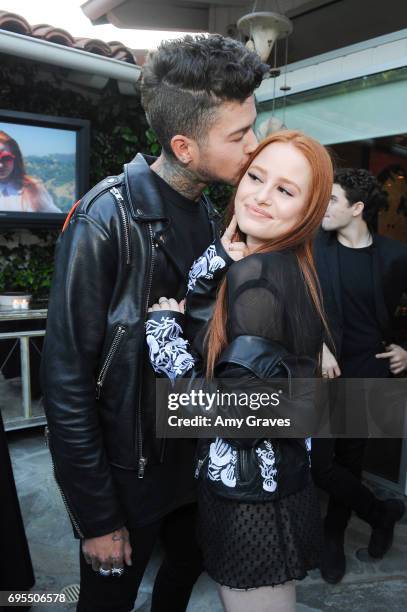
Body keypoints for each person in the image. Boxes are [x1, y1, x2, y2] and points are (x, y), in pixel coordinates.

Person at [41, 34, 267, 612]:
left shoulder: (213, 212)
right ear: (185, 146)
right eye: (240, 135)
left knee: (184, 574)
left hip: (194, 466)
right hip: (130, 478)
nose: (255, 146)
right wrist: (95, 518)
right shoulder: (103, 220)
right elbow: (66, 386)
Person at [145, 130, 334, 612]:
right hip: (271, 484)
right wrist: (217, 262)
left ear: (308, 210)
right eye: (255, 176)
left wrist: (164, 338)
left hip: (251, 502)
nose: (261, 197)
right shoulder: (281, 265)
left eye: (286, 190)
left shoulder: (257, 278)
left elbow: (236, 420)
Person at [311, 168, 407, 584]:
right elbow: (297, 301)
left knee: (350, 460)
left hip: (370, 369)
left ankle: (333, 536)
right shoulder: (314, 248)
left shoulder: (394, 255)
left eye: (331, 200)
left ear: (357, 208)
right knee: (320, 464)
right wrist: (319, 346)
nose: (322, 208)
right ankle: (380, 511)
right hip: (326, 371)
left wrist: (406, 348)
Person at [0, 130, 59, 212]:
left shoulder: (33, 187)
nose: (1, 165)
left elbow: (55, 218)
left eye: (6, 158)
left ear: (16, 158)